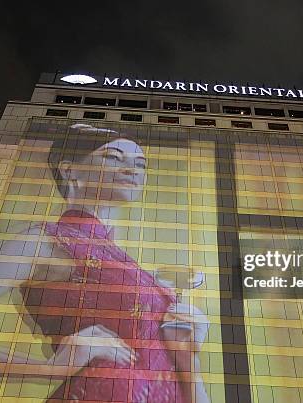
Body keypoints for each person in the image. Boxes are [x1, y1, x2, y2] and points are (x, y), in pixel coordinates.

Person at [34, 123, 210, 402]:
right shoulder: (46, 241)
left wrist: (188, 355)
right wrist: (51, 368)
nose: (132, 170)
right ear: (69, 170)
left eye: (140, 164)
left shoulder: (127, 264)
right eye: (114, 158)